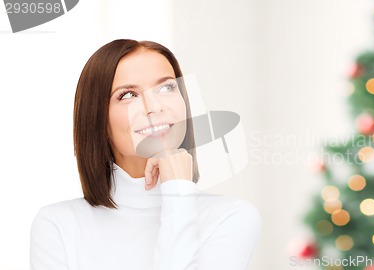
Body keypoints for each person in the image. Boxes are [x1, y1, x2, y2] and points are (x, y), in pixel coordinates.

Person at [30, 39, 261, 270]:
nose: (154, 107)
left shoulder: (230, 218)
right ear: (98, 118)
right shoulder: (57, 225)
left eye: (167, 88)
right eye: (128, 95)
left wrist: (177, 191)